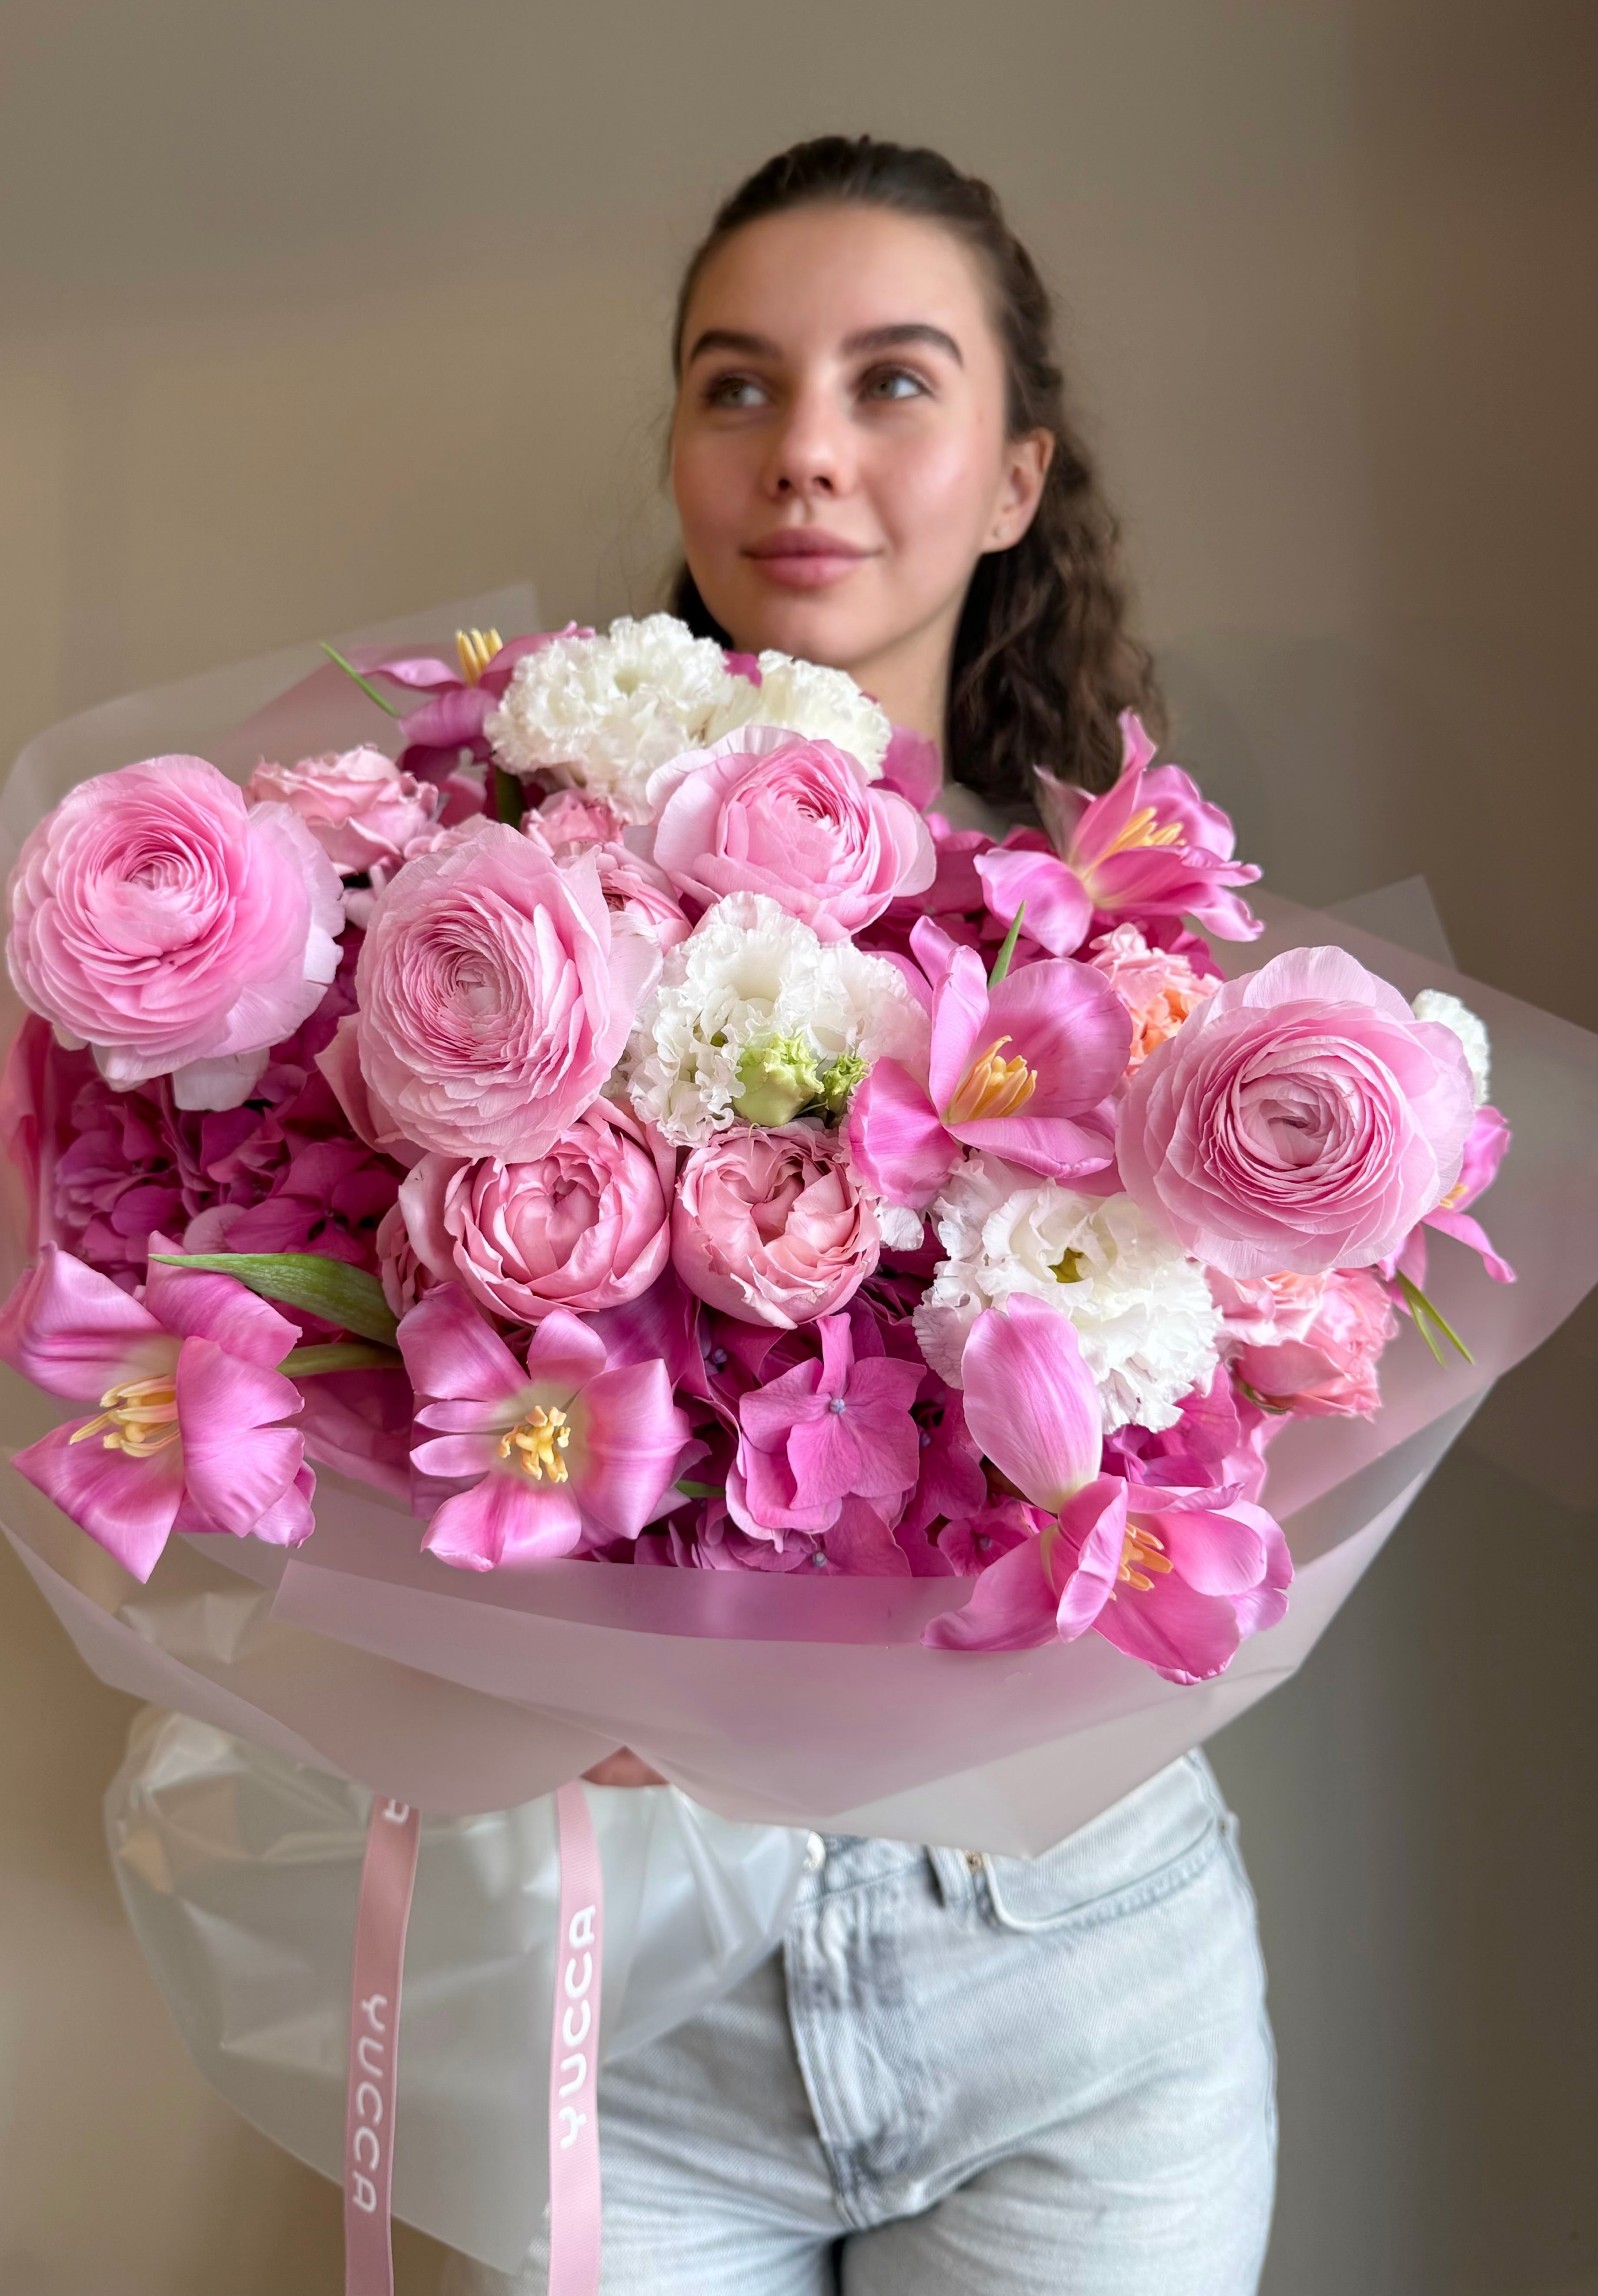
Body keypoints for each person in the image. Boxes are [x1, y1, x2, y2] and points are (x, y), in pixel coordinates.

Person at [455, 136, 1275, 2296]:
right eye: (737, 386)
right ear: (678, 441)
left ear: (1015, 475)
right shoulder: (494, 919)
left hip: (1079, 1988)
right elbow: (381, 1411)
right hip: (626, 2012)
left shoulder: (1142, 951)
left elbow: (1238, 1456)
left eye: (891, 383)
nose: (803, 452)